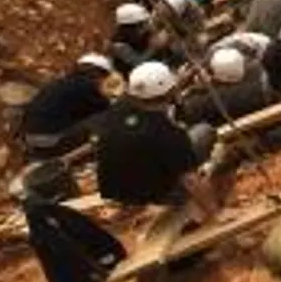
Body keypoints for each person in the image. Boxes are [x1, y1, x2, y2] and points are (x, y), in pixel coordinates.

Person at [93, 62, 220, 213]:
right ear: (170, 92)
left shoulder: (119, 107)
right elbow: (191, 181)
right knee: (204, 132)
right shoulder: (168, 133)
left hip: (116, 193)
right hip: (158, 197)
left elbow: (152, 94)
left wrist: (178, 83)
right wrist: (217, 213)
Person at [19, 54, 118, 160]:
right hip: (50, 142)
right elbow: (106, 107)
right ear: (97, 73)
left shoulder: (62, 83)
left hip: (30, 139)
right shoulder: (87, 85)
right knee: (107, 117)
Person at [178, 39, 277, 128]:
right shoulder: (259, 69)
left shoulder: (216, 99)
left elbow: (187, 111)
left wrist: (184, 87)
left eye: (210, 70)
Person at [108, 2, 172, 74]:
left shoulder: (140, 32)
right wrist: (154, 47)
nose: (145, 27)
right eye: (141, 25)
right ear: (129, 28)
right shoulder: (119, 45)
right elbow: (138, 62)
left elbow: (153, 25)